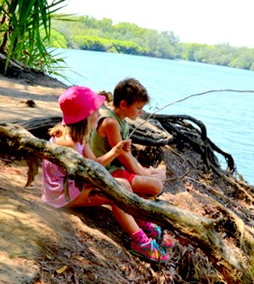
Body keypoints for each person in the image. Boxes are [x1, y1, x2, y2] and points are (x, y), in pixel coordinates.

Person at [41, 85, 169, 263]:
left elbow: (93, 164)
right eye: (95, 111)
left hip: (75, 186)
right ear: (85, 116)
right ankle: (140, 240)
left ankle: (141, 222)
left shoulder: (80, 137)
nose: (99, 115)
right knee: (116, 190)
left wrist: (115, 151)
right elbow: (87, 174)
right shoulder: (68, 142)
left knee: (119, 186)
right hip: (63, 195)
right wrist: (115, 185)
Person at [90, 78, 174, 249]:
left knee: (160, 174)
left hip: (118, 168)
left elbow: (128, 155)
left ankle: (142, 213)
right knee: (156, 186)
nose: (141, 112)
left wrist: (144, 172)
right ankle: (142, 221)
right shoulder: (111, 122)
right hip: (109, 171)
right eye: (138, 108)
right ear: (123, 104)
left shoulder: (121, 120)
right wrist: (143, 175)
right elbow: (123, 158)